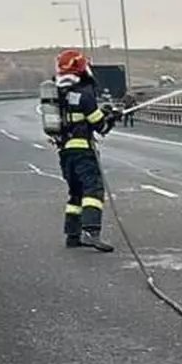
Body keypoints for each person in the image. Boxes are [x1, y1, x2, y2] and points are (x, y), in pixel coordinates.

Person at [50, 49, 118, 252]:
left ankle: (73, 236)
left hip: (65, 152)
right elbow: (101, 126)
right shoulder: (84, 93)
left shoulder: (57, 93)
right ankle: (91, 231)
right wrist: (112, 117)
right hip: (83, 152)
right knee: (93, 190)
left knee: (76, 193)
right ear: (81, 68)